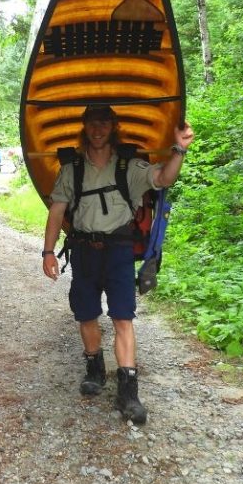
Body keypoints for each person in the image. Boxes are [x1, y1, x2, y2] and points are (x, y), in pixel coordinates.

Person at [41, 105, 194, 425]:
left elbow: (164, 177)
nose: (98, 129)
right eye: (92, 123)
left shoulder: (129, 165)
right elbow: (57, 211)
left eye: (104, 123)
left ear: (113, 126)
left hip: (119, 251)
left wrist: (179, 148)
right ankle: (95, 367)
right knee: (86, 313)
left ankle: (128, 390)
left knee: (123, 317)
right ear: (85, 127)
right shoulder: (72, 169)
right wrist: (48, 252)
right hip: (84, 251)